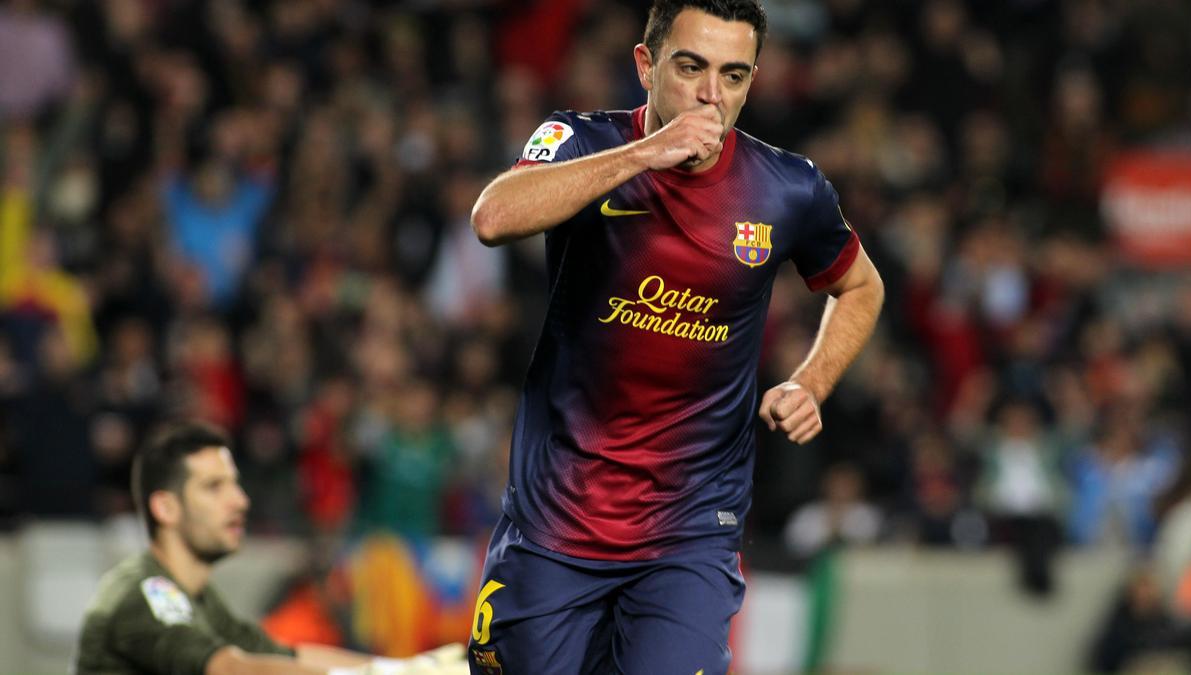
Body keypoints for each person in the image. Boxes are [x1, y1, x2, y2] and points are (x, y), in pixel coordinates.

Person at [466, 1, 885, 672]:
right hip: (555, 524)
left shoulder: (787, 188)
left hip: (689, 533)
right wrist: (647, 154)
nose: (711, 95)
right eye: (691, 67)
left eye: (734, 74)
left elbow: (861, 286)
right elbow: (493, 216)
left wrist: (812, 379)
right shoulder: (579, 137)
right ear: (646, 64)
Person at [74, 421, 466, 675]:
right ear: (165, 508)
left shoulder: (201, 600)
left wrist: (407, 667)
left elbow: (286, 658)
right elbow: (230, 669)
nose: (240, 501)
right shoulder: (144, 592)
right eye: (214, 487)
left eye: (235, 484)